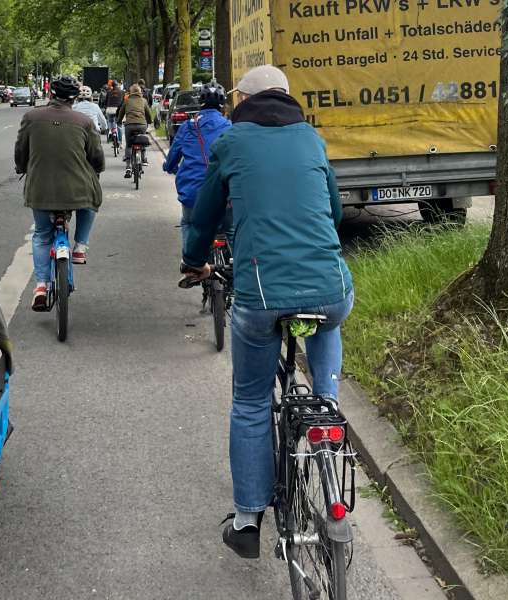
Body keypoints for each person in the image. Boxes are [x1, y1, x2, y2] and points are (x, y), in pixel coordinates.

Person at [181, 65, 354, 559]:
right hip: (329, 287)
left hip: (262, 295)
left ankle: (247, 520)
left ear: (244, 100)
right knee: (327, 318)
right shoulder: (311, 139)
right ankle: (326, 411)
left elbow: (204, 215)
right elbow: (335, 213)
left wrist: (194, 261)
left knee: (252, 401)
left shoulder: (232, 143)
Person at [14, 74, 105, 310]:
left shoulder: (31, 117)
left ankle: (41, 286)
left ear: (50, 94)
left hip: (40, 189)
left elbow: (21, 150)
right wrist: (98, 169)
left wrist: (22, 167)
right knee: (91, 198)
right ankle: (80, 246)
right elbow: (96, 156)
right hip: (77, 190)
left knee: (42, 235)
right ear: (74, 99)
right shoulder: (84, 121)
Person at [163, 82, 231, 249]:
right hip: (223, 192)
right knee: (231, 229)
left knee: (188, 223)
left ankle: (190, 261)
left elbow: (173, 157)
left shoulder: (188, 127)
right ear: (223, 105)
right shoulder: (230, 128)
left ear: (200, 102)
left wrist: (170, 167)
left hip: (193, 193)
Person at [116, 83, 153, 177]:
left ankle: (128, 167)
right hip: (142, 125)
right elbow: (148, 114)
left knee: (129, 145)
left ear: (131, 92)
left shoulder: (127, 101)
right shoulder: (144, 101)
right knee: (142, 141)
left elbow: (121, 113)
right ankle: (144, 159)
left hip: (129, 125)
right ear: (140, 92)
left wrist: (119, 121)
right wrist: (149, 121)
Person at [103, 80, 124, 144]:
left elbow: (105, 102)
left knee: (110, 121)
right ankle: (120, 141)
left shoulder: (109, 92)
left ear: (112, 85)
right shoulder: (122, 92)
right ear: (117, 85)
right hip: (118, 110)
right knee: (119, 125)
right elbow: (123, 102)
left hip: (109, 110)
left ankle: (111, 133)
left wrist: (106, 107)